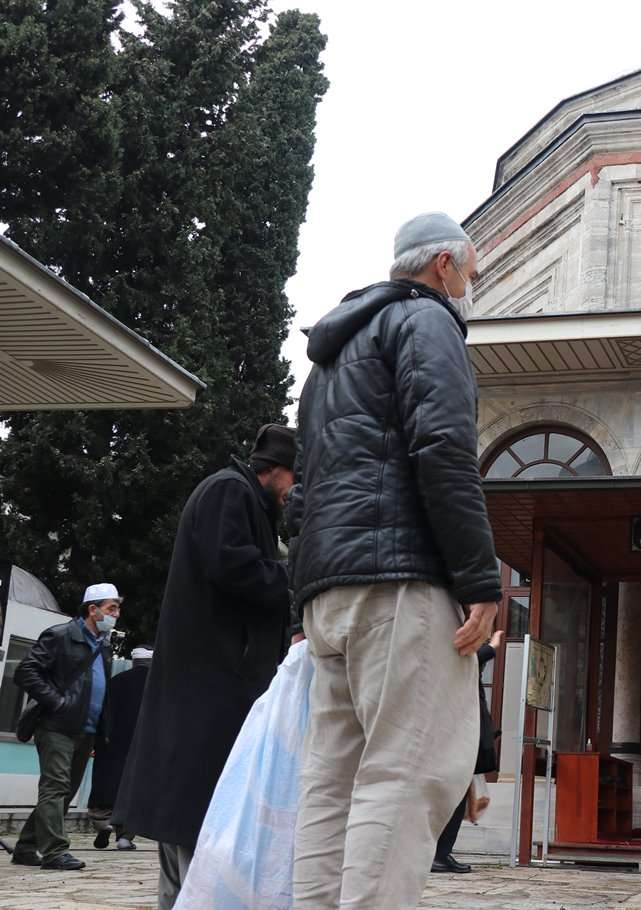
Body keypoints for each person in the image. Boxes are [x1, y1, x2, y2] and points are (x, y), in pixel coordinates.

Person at [289, 212, 502, 907]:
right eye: (470, 270)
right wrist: (479, 578)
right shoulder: (426, 320)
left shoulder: (330, 357)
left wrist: (301, 601)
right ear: (444, 263)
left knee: (330, 780)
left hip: (329, 592)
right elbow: (443, 447)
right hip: (397, 580)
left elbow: (307, 485)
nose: (470, 283)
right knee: (407, 771)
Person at [116, 425, 296, 909]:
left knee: (194, 813)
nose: (295, 493)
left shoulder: (245, 499)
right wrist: (293, 578)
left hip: (216, 681)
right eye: (296, 479)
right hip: (207, 682)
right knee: (192, 812)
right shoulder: (228, 492)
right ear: (277, 469)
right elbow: (233, 567)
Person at [10, 584, 120, 871]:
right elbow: (26, 671)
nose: (116, 614)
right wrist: (57, 702)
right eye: (111, 608)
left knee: (65, 792)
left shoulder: (103, 646)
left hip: (86, 729)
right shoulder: (60, 635)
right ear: (92, 609)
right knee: (55, 786)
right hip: (56, 726)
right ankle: (55, 851)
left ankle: (26, 847)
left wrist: (101, 729)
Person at [432, 631, 504, 874]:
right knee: (455, 795)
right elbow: (475, 656)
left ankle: (439, 853)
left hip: (453, 733)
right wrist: (494, 644)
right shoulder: (457, 658)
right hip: (456, 733)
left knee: (454, 795)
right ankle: (439, 855)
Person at [89, 646, 153, 851]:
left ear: (134, 662)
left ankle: (103, 825)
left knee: (106, 786)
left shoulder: (114, 682)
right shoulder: (156, 685)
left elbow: (100, 713)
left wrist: (95, 742)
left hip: (110, 745)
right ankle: (124, 837)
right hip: (141, 747)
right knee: (132, 790)